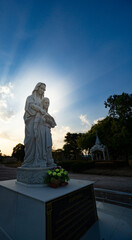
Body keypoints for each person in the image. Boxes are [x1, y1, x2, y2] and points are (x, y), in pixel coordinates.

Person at [22, 83, 56, 168]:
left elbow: (45, 110)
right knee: (31, 139)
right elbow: (30, 107)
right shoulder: (30, 98)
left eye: (44, 89)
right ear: (37, 88)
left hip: (41, 125)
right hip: (31, 122)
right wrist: (40, 109)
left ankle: (41, 160)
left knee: (42, 142)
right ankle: (29, 161)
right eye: (41, 88)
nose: (43, 91)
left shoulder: (43, 99)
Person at [34, 97, 56, 167]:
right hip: (41, 130)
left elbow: (53, 124)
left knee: (49, 146)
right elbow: (35, 123)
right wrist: (35, 132)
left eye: (48, 103)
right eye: (45, 102)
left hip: (47, 131)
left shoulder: (47, 114)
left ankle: (49, 161)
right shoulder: (39, 113)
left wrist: (48, 120)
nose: (47, 104)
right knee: (42, 146)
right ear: (42, 103)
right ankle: (42, 160)